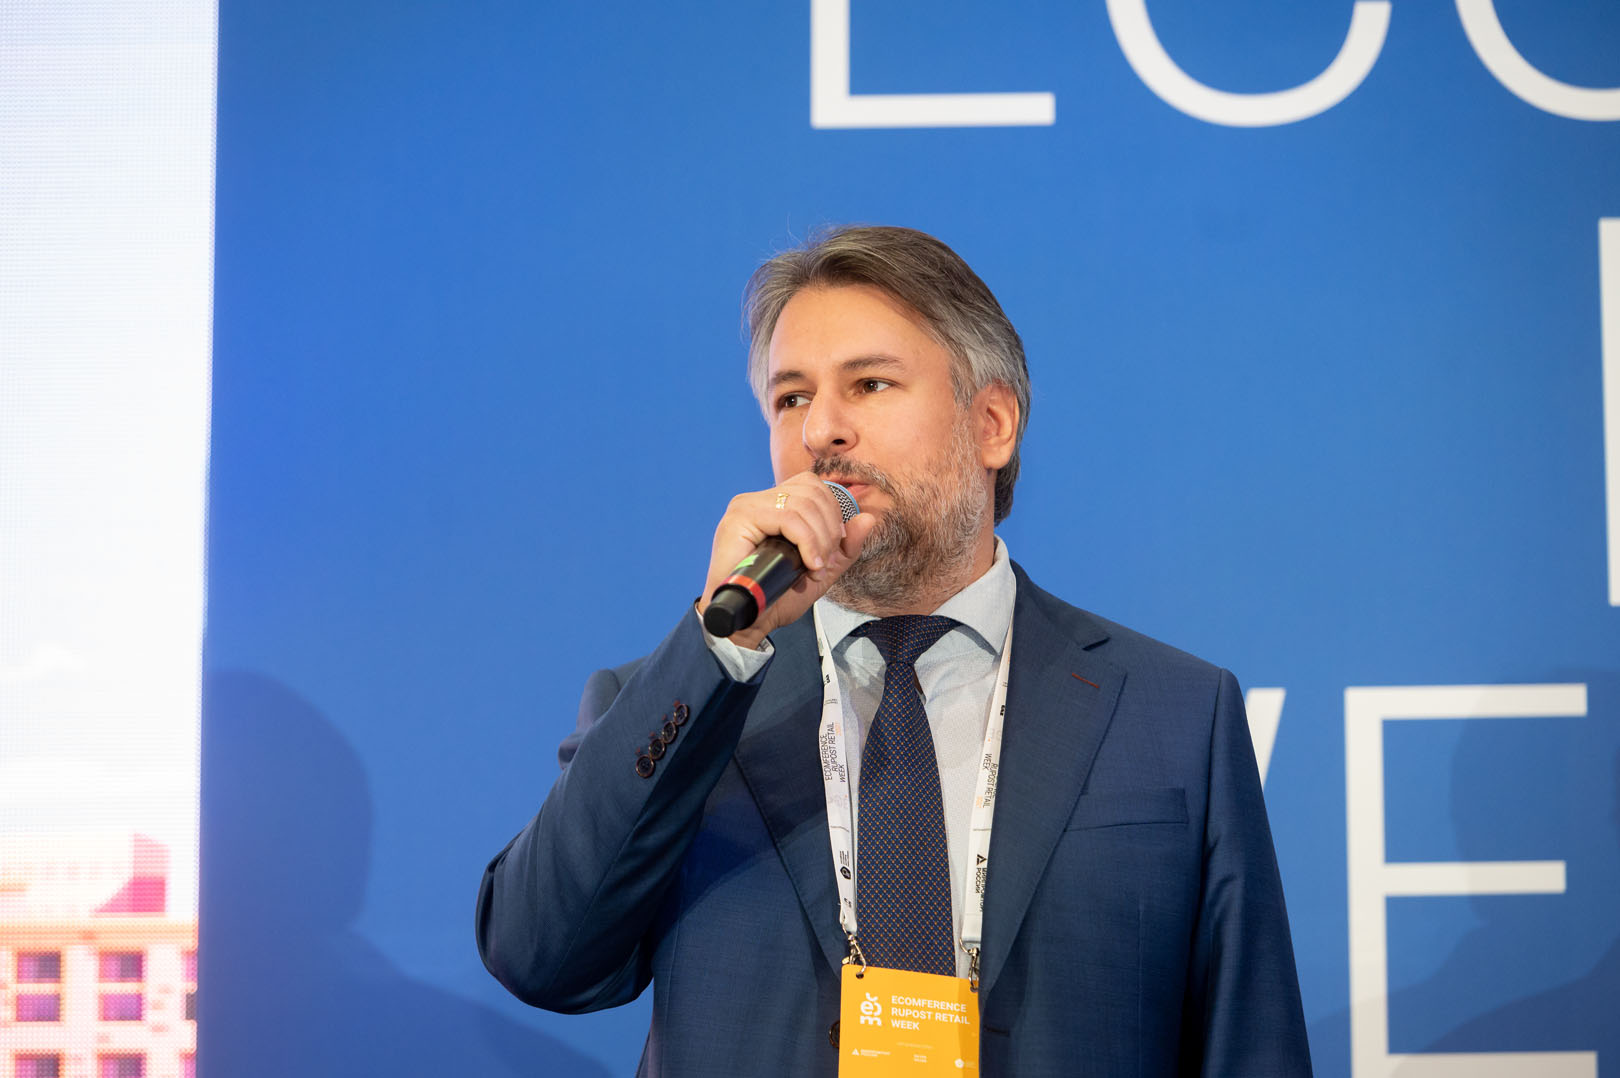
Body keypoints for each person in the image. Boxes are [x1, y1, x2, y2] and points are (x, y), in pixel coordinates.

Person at [476, 225, 1311, 1076]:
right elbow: (540, 956)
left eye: (869, 384)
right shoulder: (680, 698)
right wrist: (718, 645)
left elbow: (1253, 1043)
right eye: (791, 398)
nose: (821, 431)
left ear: (992, 424)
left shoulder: (1173, 711)